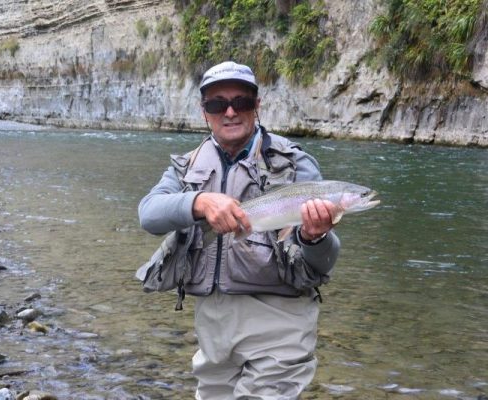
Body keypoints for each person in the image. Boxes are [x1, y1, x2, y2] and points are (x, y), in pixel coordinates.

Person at [138, 61, 340, 400]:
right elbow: (149, 214)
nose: (230, 112)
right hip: (212, 330)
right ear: (205, 112)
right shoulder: (186, 167)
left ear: (257, 106)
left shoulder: (294, 163)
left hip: (280, 326)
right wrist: (198, 203)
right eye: (217, 104)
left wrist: (315, 236)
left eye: (241, 102)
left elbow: (323, 263)